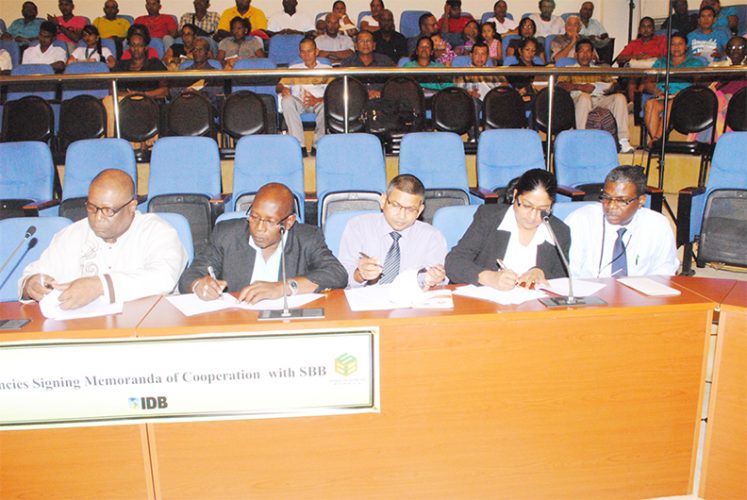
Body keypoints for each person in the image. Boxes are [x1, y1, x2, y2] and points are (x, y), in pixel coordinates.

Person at [20, 169, 187, 309]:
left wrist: (100, 286)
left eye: (108, 211)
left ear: (131, 207)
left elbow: (163, 277)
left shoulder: (157, 230)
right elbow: (35, 273)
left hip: (147, 328)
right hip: (85, 331)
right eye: (92, 208)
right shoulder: (72, 234)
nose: (97, 218)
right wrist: (31, 284)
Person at [180, 183, 347, 303]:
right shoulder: (227, 234)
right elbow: (191, 275)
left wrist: (283, 288)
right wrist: (199, 285)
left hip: (288, 325)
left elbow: (336, 274)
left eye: (269, 221)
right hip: (237, 324)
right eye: (254, 217)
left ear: (288, 222)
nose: (259, 228)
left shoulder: (307, 238)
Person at [445, 168, 570, 290]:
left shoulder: (559, 231)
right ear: (515, 195)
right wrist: (490, 278)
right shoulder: (489, 218)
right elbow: (454, 262)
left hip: (533, 307)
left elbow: (564, 279)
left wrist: (542, 273)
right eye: (527, 206)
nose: (533, 216)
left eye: (543, 210)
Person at [565, 165, 678, 278]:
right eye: (607, 197)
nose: (611, 206)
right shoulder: (581, 221)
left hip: (639, 292)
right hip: (588, 292)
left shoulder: (657, 225)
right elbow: (569, 273)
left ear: (641, 201)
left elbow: (664, 270)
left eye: (621, 200)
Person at [339, 174, 447, 288]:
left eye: (410, 209)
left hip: (412, 302)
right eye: (395, 205)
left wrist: (433, 279)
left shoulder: (432, 237)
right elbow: (342, 275)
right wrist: (360, 274)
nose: (401, 215)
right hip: (365, 301)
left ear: (419, 211)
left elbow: (437, 280)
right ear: (383, 200)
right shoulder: (358, 227)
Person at [557, 39, 633, 153]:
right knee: (584, 97)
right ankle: (581, 140)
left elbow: (614, 84)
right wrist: (580, 87)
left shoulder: (600, 69)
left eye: (588, 51)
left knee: (619, 98)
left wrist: (610, 88)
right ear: (576, 54)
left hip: (599, 98)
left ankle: (623, 141)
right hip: (579, 99)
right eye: (582, 51)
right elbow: (560, 85)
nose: (585, 55)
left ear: (592, 54)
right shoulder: (569, 68)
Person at [643, 32, 705, 143]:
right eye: (673, 44)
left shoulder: (695, 62)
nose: (676, 47)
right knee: (650, 104)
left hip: (686, 100)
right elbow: (648, 82)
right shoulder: (662, 62)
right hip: (664, 96)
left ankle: (657, 140)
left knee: (672, 103)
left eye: (680, 44)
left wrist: (682, 94)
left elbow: (701, 84)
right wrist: (658, 91)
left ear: (686, 46)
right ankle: (658, 143)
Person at [276, 37, 331, 155]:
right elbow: (278, 86)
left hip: (318, 102)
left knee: (327, 104)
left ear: (316, 51)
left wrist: (318, 99)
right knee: (286, 101)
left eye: (309, 51)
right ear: (300, 53)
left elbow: (334, 92)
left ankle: (318, 144)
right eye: (303, 52)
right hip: (299, 102)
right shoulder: (294, 69)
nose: (306, 55)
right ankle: (299, 145)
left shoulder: (327, 69)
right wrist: (283, 88)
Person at [342, 30, 393, 98]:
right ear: (356, 46)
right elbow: (343, 87)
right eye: (361, 41)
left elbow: (392, 84)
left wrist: (381, 93)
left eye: (368, 41)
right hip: (356, 101)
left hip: (380, 100)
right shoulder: (347, 63)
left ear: (374, 45)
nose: (365, 44)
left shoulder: (385, 61)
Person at [508, 37, 544, 110]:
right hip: (523, 99)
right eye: (527, 50)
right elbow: (517, 89)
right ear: (520, 51)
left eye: (533, 51)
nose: (530, 53)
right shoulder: (513, 68)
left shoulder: (540, 68)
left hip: (541, 96)